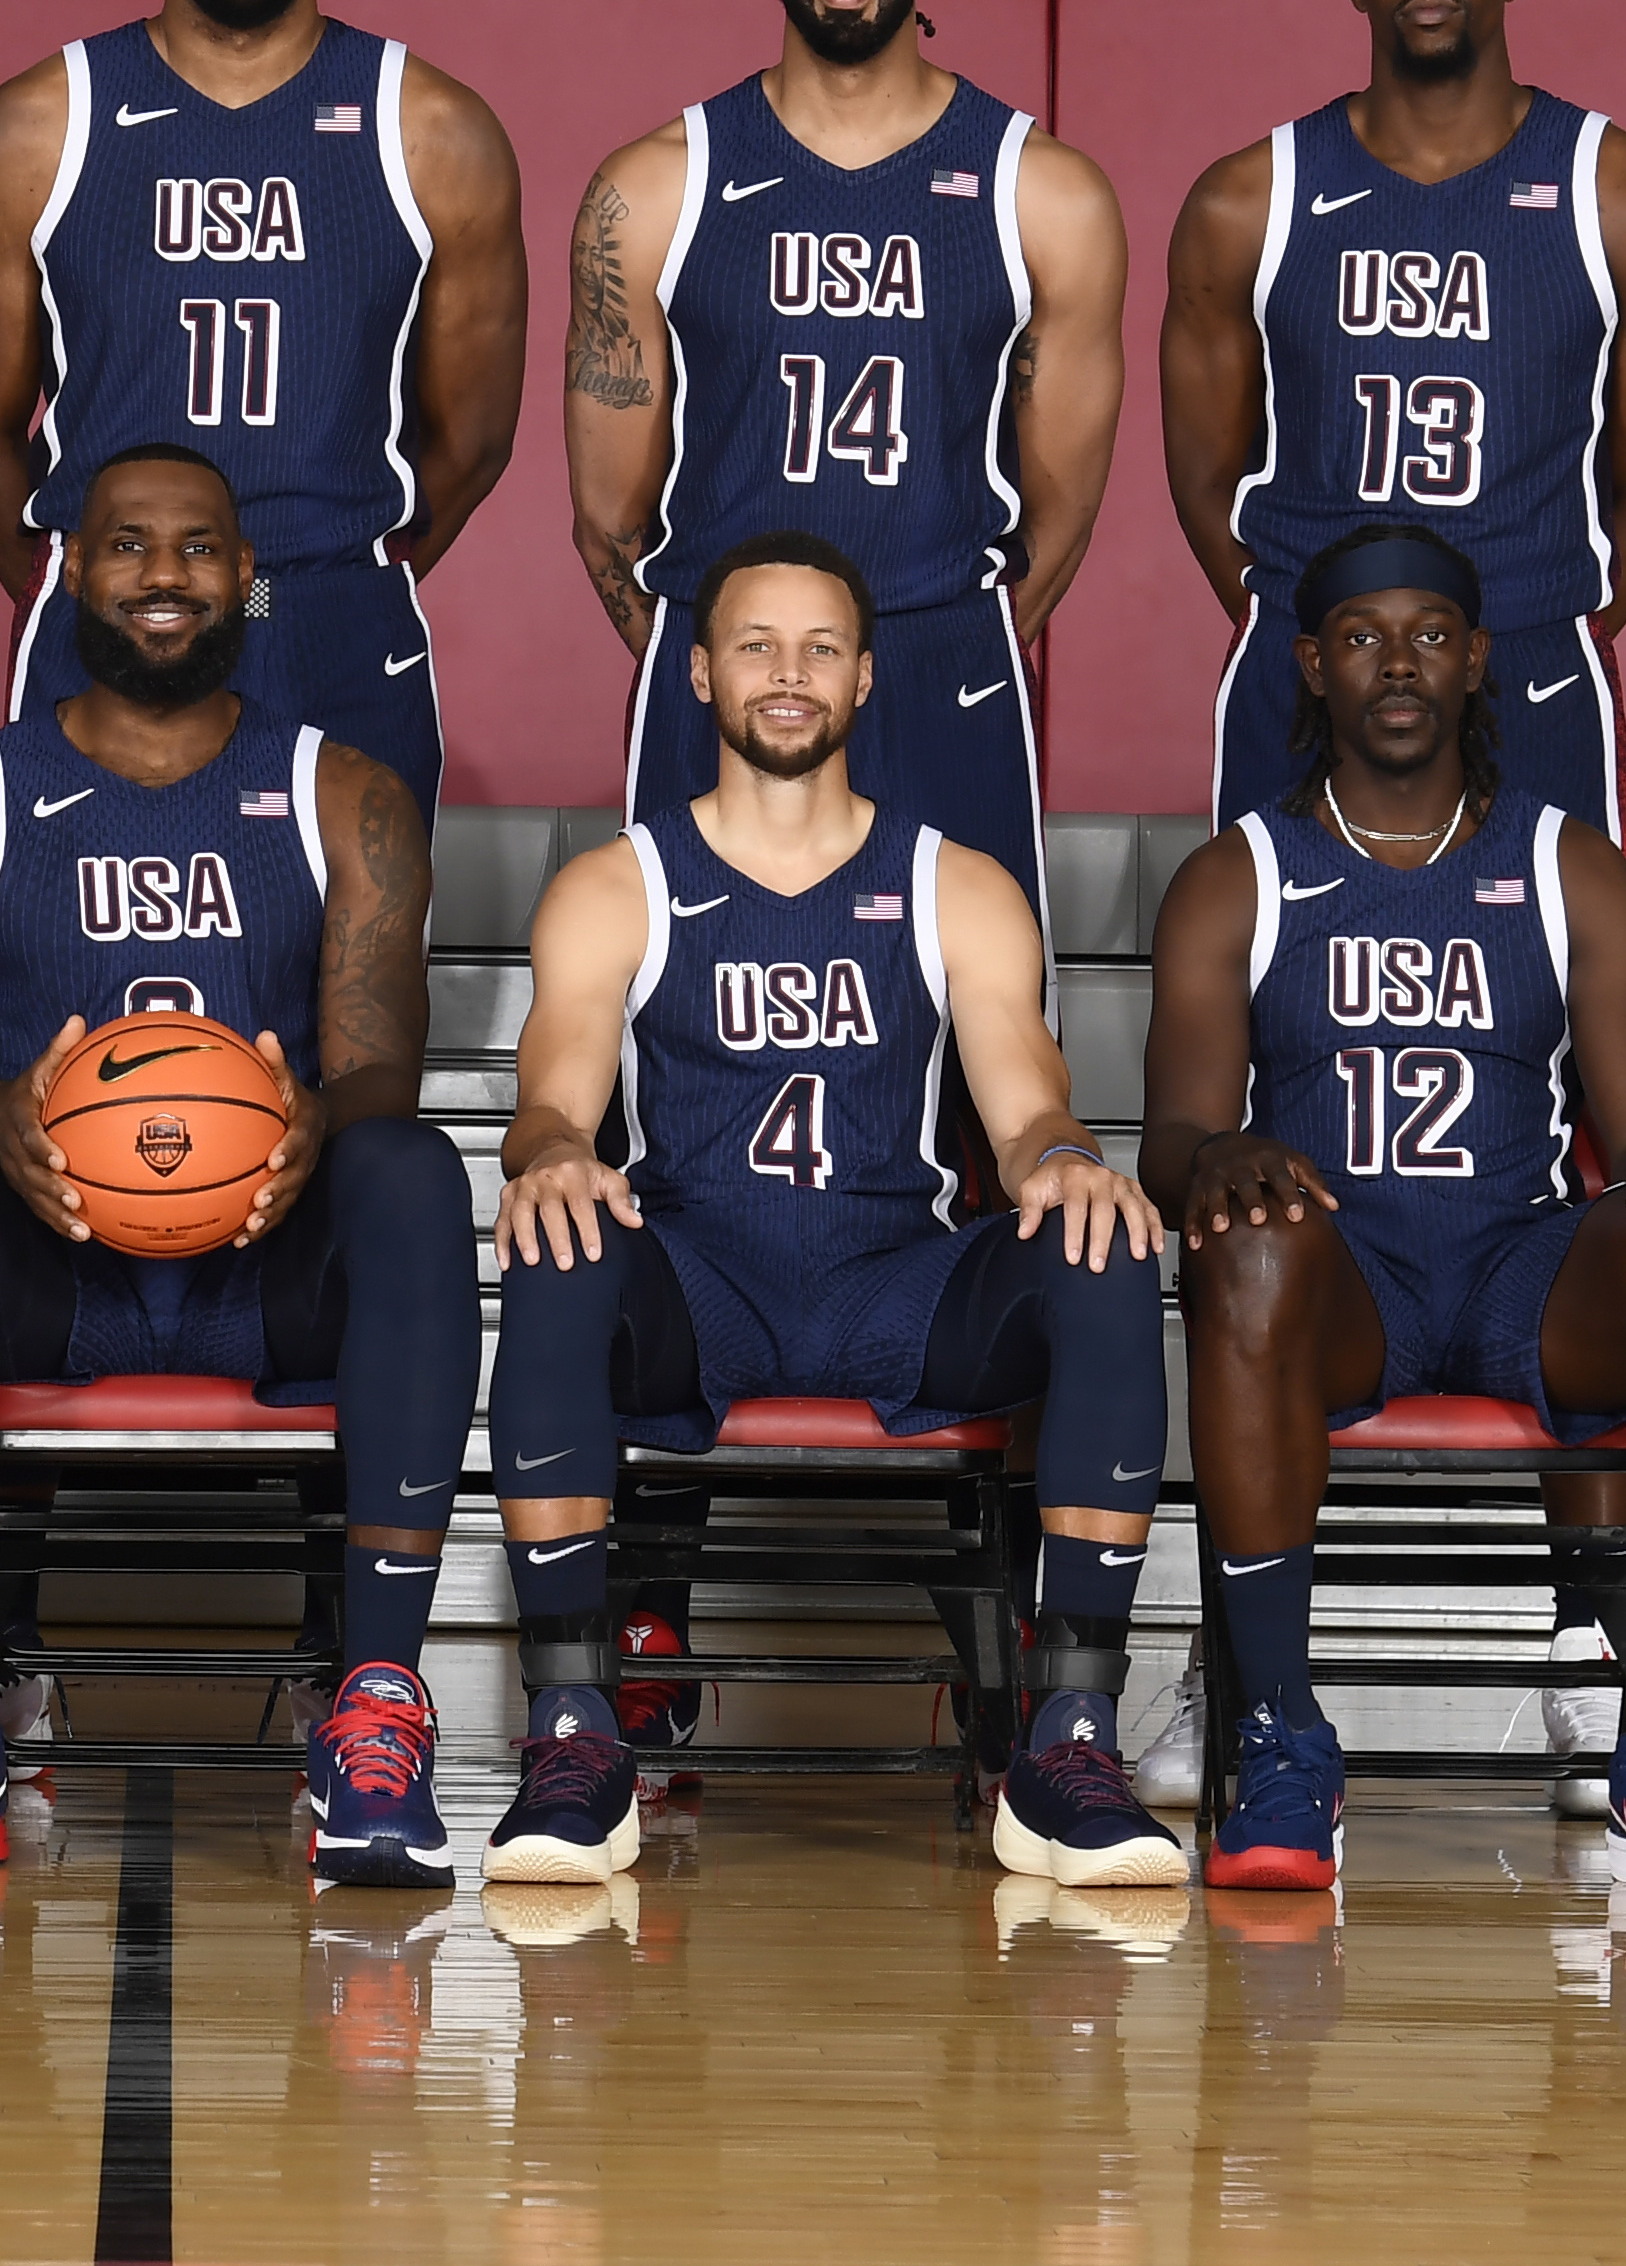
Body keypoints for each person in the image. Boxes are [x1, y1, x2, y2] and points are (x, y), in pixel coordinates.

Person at [0, 445, 477, 1891]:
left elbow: (376, 1067)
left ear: (249, 580)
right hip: (52, 1267)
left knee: (411, 1170)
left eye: (194, 549)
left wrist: (317, 1125)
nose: (162, 575)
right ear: (70, 569)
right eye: (126, 545)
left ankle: (375, 1708)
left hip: (260, 1256)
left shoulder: (344, 794)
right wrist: (4, 1118)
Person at [478, 531, 1177, 1889]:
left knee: (1102, 1248)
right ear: (697, 674)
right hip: (699, 1282)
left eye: (818, 649)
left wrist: (1065, 1161)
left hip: (893, 1286)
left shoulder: (954, 885)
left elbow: (1026, 1107)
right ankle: (573, 1732)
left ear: (864, 680)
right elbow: (549, 1104)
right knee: (561, 1241)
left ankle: (1070, 1741)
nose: (786, 675)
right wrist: (556, 1151)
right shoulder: (617, 885)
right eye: (755, 645)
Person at [1140, 521, 1626, 1903]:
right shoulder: (1235, 877)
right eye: (1364, 637)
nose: (1399, 664)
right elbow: (1177, 1137)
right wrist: (1215, 1161)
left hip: (1522, 1270)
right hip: (1341, 1285)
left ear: (1477, 660)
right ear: (1311, 664)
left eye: (1430, 636)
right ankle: (1284, 1734)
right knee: (1242, 1250)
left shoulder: (1568, 866)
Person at [0, 0, 528, 823]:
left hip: (329, 607)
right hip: (108, 612)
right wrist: (73, 576)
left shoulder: (430, 126)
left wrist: (332, 571)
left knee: (348, 976)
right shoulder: (41, 122)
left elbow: (474, 432)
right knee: (82, 966)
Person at [564, 0, 1126, 906]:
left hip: (939, 650)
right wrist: (719, 647)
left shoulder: (1043, 192)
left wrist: (953, 642)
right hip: (719, 654)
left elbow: (1064, 510)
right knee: (694, 1012)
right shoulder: (656, 185)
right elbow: (606, 516)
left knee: (970, 1028)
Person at [1160, 0, 1626, 843]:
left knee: (1543, 986)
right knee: (1278, 988)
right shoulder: (1250, 199)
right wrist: (1309, 617)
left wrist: (1539, 623)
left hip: (1530, 655)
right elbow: (1205, 478)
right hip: (1308, 662)